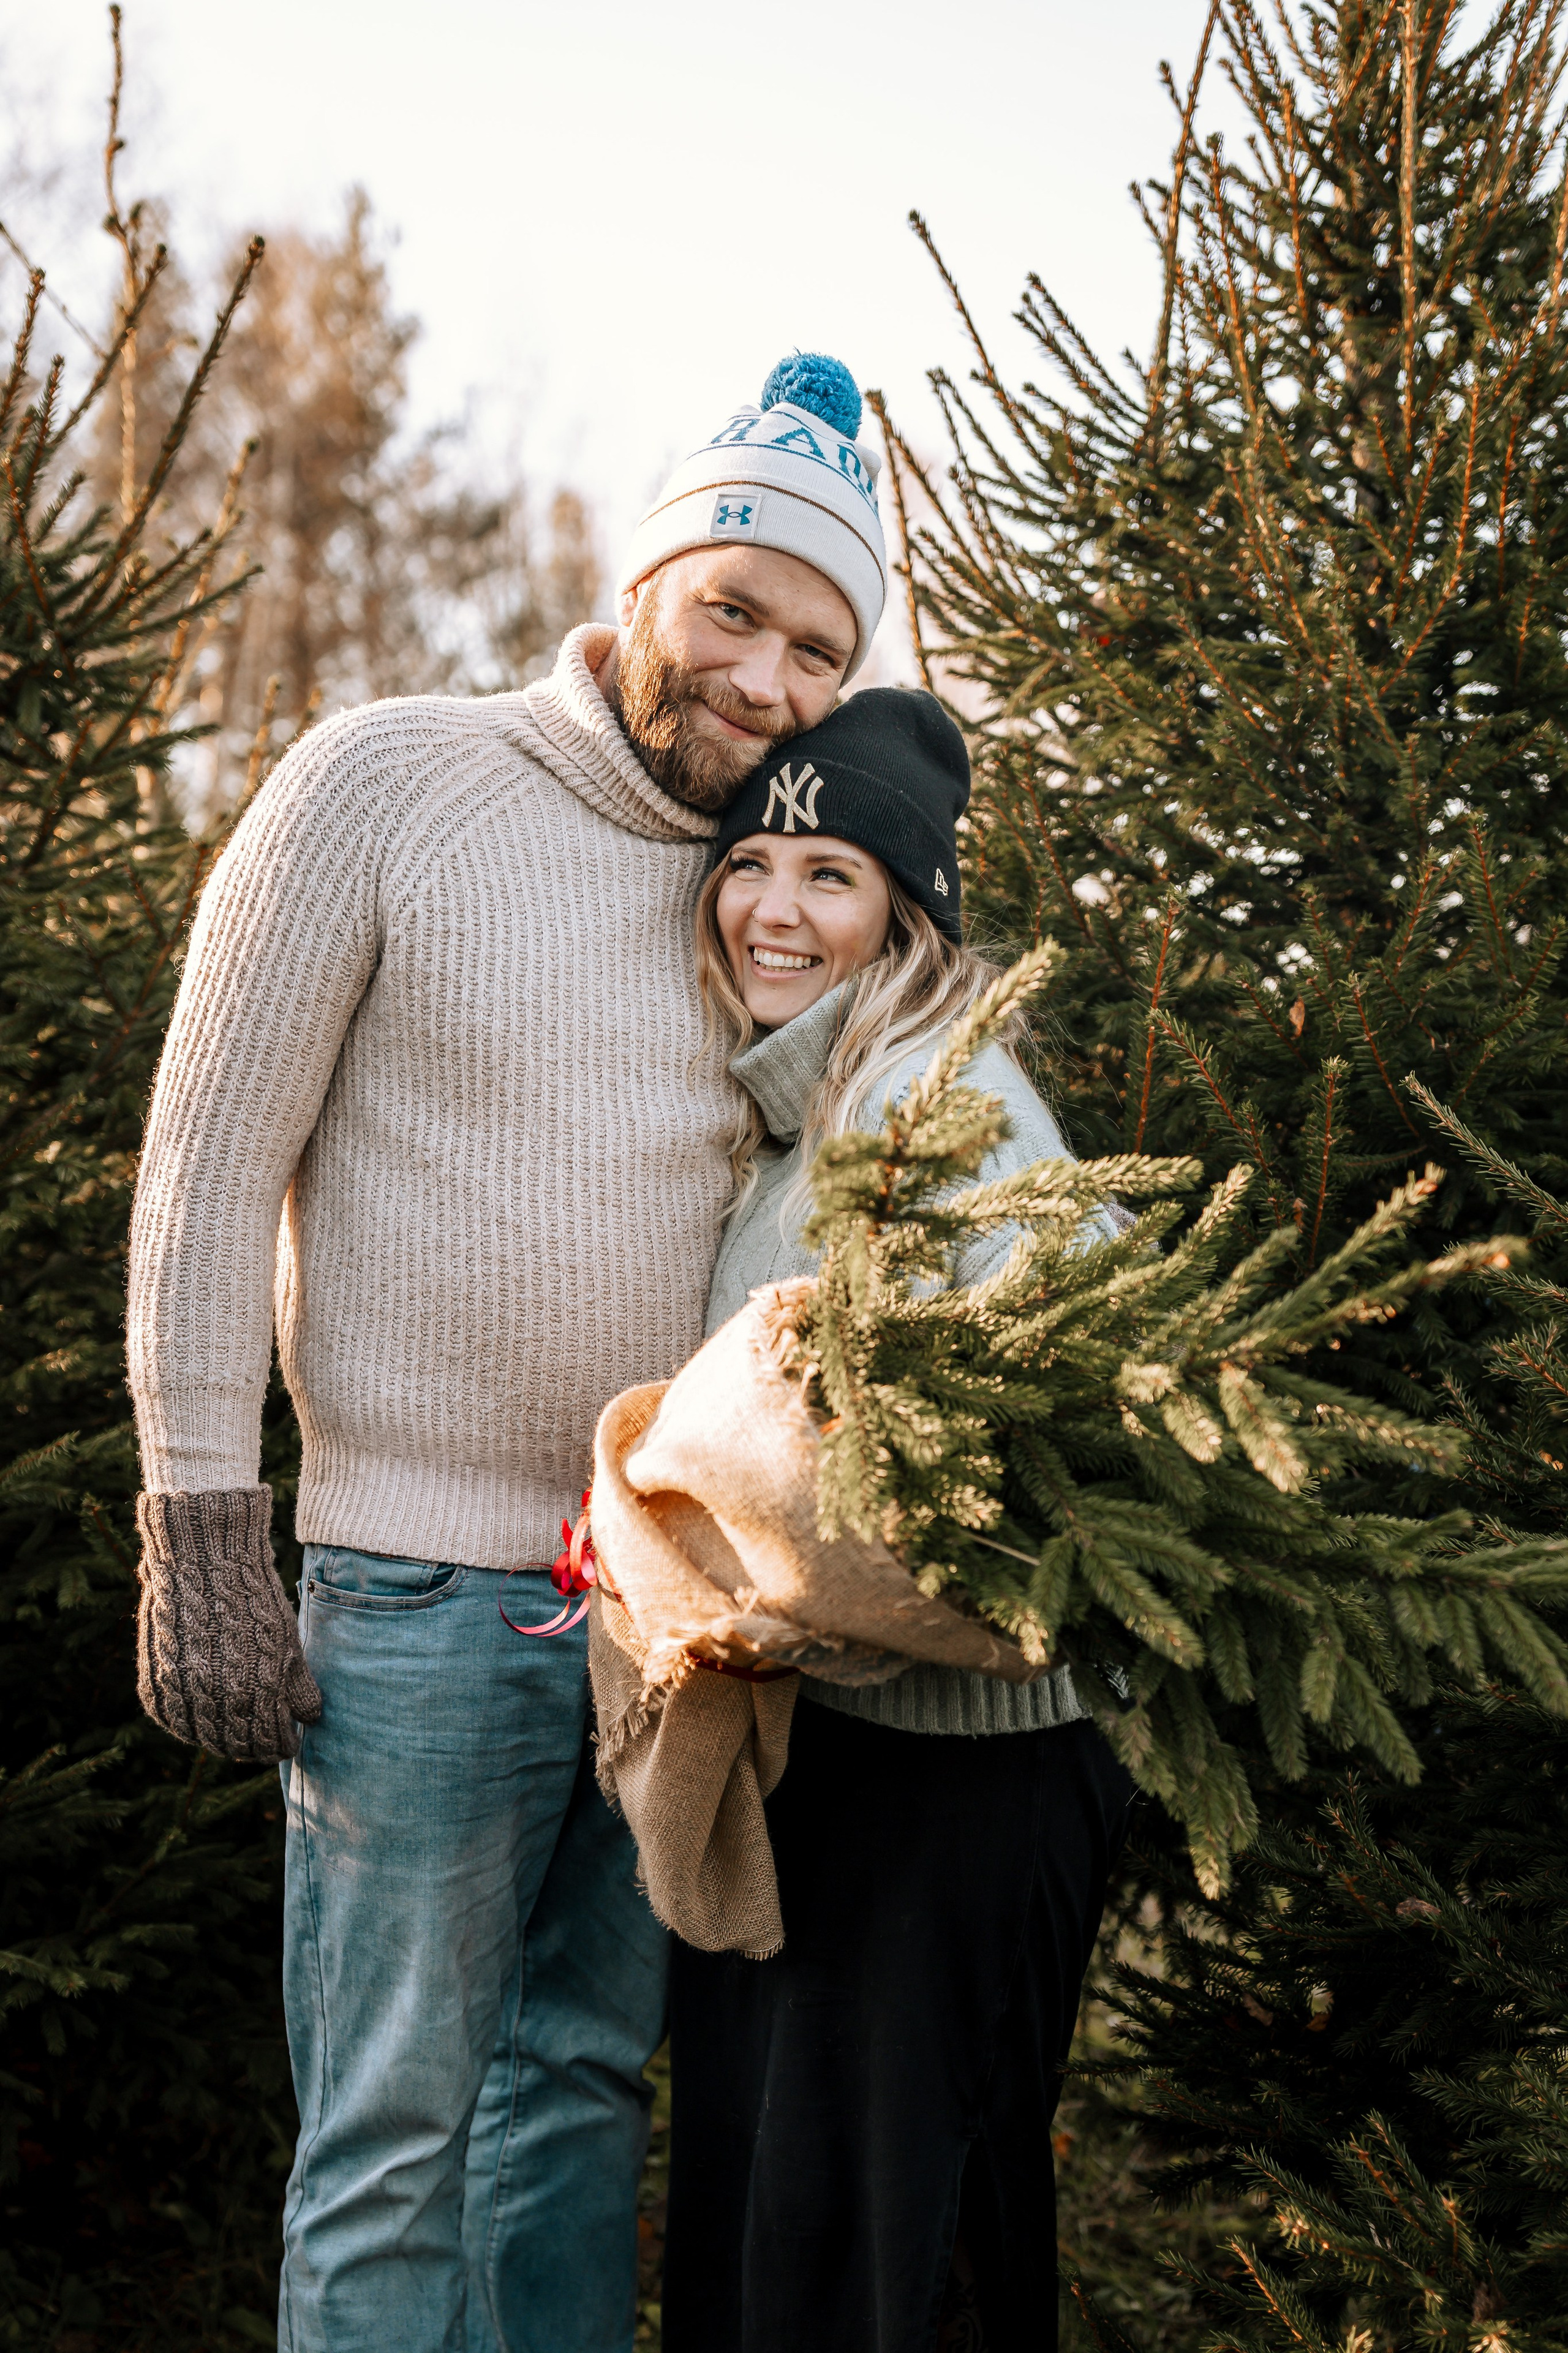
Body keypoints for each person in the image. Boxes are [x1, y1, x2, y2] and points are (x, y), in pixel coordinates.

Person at [124, 352, 888, 2353]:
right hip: (412, 1599)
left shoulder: (769, 894)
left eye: (819, 650)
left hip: (661, 1616)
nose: (766, 678)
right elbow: (207, 1162)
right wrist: (200, 1513)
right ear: (644, 582)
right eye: (735, 608)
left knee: (573, 2102)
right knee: (390, 2143)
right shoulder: (386, 783)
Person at [660, 689, 1135, 2353]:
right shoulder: (807, 1106)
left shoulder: (942, 1102)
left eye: (831, 875)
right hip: (845, 1750)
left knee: (902, 2260)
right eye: (751, 863)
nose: (774, 908)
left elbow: (1054, 1441)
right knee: (799, 2239)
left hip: (965, 1772)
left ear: (906, 914)